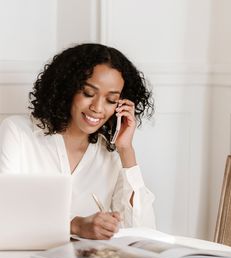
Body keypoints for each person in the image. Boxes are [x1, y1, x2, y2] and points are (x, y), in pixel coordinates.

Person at [0, 43, 156, 237]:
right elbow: (4, 215)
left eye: (111, 100)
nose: (98, 108)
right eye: (88, 93)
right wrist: (73, 226)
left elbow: (144, 231)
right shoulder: (18, 133)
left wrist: (126, 151)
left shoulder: (110, 154)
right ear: (68, 88)